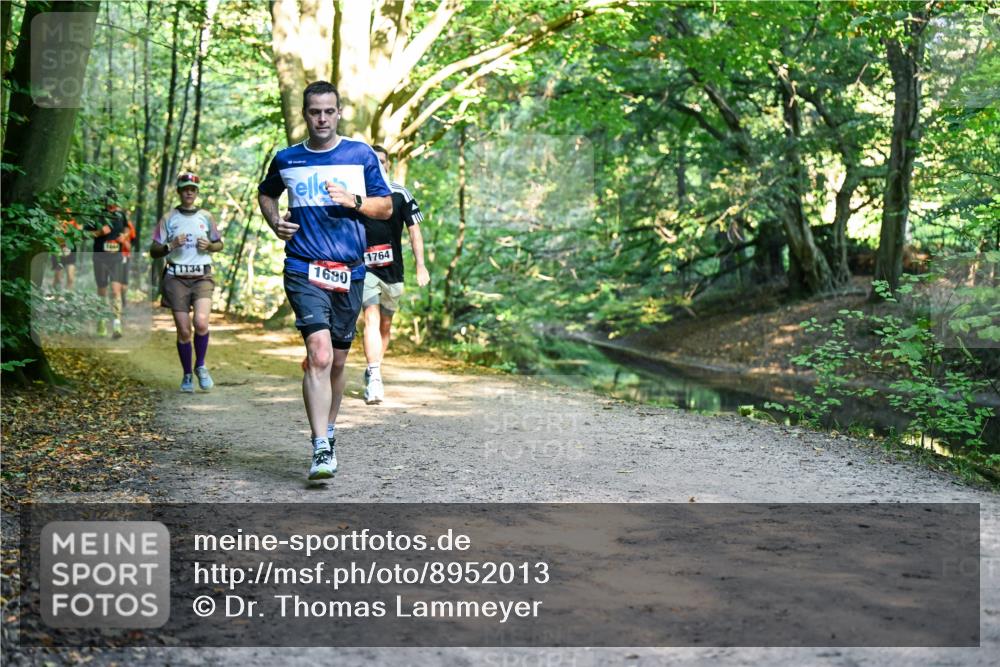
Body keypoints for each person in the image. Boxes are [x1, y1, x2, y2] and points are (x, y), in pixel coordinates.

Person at [257, 80, 392, 481]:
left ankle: (329, 432)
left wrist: (354, 201)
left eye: (328, 111)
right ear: (304, 114)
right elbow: (266, 194)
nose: (321, 118)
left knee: (337, 361)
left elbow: (385, 207)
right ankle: (319, 447)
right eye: (314, 111)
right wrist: (275, 221)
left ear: (338, 113)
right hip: (303, 267)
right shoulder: (287, 159)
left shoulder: (360, 154)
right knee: (318, 355)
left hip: (349, 271)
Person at [360, 145, 430, 404]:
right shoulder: (356, 195)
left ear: (388, 165)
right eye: (373, 161)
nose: (378, 165)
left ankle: (372, 367)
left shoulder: (400, 193)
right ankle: (376, 378)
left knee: (385, 325)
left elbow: (415, 232)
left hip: (394, 271)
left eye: (382, 161)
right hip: (364, 268)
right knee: (371, 318)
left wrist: (421, 265)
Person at [150, 172, 223, 393]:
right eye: (185, 188)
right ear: (179, 192)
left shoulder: (206, 217)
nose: (189, 192)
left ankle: (200, 365)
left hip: (202, 276)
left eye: (192, 188)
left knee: (201, 323)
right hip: (176, 278)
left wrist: (209, 246)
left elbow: (219, 243)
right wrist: (170, 245)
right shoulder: (168, 218)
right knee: (184, 330)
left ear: (196, 192)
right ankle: (187, 374)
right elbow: (154, 250)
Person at [90, 189, 128, 338]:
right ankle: (101, 321)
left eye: (115, 201)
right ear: (105, 202)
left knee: (115, 290)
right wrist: (99, 232)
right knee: (102, 291)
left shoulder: (120, 215)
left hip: (116, 258)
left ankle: (117, 324)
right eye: (109, 201)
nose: (112, 204)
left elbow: (126, 228)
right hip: (100, 258)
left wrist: (124, 237)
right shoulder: (97, 215)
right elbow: (85, 233)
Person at [49, 206, 81, 291]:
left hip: (70, 249)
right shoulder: (56, 217)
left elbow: (79, 233)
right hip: (58, 249)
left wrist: (78, 229)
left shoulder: (73, 216)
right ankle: (55, 295)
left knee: (70, 278)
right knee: (58, 278)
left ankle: (67, 298)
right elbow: (52, 233)